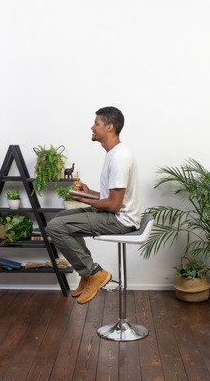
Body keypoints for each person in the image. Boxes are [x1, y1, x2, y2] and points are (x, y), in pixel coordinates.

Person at [46, 106, 141, 304]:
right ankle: (87, 275)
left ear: (110, 127)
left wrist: (84, 199)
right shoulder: (113, 154)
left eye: (96, 123)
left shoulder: (120, 157)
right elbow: (112, 197)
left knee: (55, 227)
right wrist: (89, 193)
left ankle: (94, 273)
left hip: (121, 220)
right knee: (60, 219)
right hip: (116, 213)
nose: (92, 127)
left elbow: (114, 206)